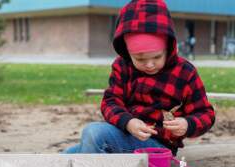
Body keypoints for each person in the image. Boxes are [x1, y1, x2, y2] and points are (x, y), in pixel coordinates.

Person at [63, 0, 215, 156]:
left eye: (157, 57)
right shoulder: (122, 66)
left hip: (158, 147)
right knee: (68, 155)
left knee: (94, 134)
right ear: (128, 52)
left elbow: (206, 114)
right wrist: (128, 122)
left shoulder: (184, 72)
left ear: (168, 47)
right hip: (124, 133)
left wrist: (187, 124)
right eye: (140, 59)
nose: (150, 65)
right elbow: (110, 102)